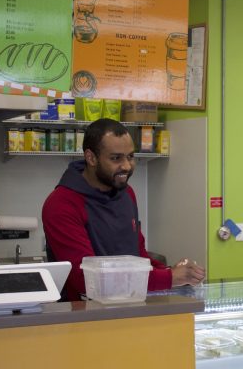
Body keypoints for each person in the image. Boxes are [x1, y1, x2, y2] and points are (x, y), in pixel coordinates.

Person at [42, 118, 205, 301]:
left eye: (130, 156)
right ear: (91, 158)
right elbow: (86, 280)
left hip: (129, 309)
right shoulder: (61, 204)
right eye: (116, 158)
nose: (127, 166)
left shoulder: (127, 193)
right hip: (83, 318)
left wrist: (176, 273)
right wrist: (169, 278)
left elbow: (138, 256)